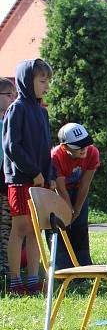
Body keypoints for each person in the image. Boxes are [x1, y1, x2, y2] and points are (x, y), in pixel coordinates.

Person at [2, 59, 54, 296]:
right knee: (21, 227)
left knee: (36, 229)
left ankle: (33, 279)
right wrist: (34, 172)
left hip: (40, 180)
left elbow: (46, 147)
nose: (46, 86)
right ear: (26, 80)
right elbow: (12, 146)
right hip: (21, 179)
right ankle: (14, 280)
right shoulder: (17, 108)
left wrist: (49, 175)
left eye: (48, 81)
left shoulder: (42, 113)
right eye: (42, 81)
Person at [50, 123, 100, 269]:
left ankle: (84, 266)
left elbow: (85, 184)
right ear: (65, 147)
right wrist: (68, 209)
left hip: (78, 191)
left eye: (85, 143)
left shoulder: (92, 152)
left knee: (80, 226)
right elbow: (60, 187)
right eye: (78, 146)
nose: (84, 148)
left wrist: (76, 209)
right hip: (59, 193)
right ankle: (63, 268)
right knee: (61, 226)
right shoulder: (55, 156)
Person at [0, 78, 17, 285]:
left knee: (7, 226)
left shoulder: (9, 121)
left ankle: (5, 267)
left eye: (14, 94)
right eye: (8, 95)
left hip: (6, 184)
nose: (13, 98)